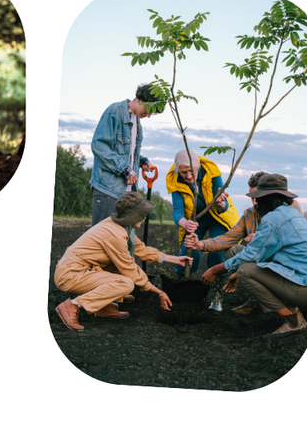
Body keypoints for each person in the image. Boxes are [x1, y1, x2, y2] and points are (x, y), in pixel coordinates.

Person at [54, 191, 192, 331]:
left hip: (86, 269)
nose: (144, 217)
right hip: (70, 275)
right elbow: (130, 269)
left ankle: (103, 307)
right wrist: (159, 292)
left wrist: (175, 259)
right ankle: (73, 305)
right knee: (125, 284)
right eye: (141, 214)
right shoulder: (115, 234)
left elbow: (141, 249)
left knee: (118, 272)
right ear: (131, 216)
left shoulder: (123, 227)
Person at [203, 174, 307, 339]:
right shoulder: (294, 214)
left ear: (267, 200)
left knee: (245, 271)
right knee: (248, 268)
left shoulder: (272, 219)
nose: (256, 203)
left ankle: (294, 322)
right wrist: (205, 245)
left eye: (259, 199)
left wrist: (216, 269)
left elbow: (251, 254)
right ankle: (306, 315)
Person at [188, 171, 303, 314]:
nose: (255, 201)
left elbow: (293, 237)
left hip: (284, 261)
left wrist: (262, 236)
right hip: (258, 259)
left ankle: (290, 304)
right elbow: (229, 237)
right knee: (231, 250)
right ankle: (255, 299)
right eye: (252, 197)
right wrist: (202, 244)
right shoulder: (250, 214)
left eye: (258, 196)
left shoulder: (291, 207)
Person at [89, 83, 159, 225]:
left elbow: (127, 153)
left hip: (127, 192)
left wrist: (141, 161)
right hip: (108, 190)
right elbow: (99, 146)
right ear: (140, 99)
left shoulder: (137, 122)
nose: (149, 115)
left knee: (124, 240)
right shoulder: (114, 112)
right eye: (149, 109)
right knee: (104, 238)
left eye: (153, 113)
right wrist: (124, 169)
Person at [166, 149, 240, 276]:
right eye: (184, 172)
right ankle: (183, 278)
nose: (189, 176)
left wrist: (219, 203)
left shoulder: (212, 172)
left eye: (192, 171)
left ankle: (215, 279)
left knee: (217, 248)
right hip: (196, 220)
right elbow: (177, 212)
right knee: (189, 247)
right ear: (178, 170)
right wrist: (185, 224)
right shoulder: (175, 180)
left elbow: (224, 204)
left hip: (218, 217)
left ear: (198, 166)